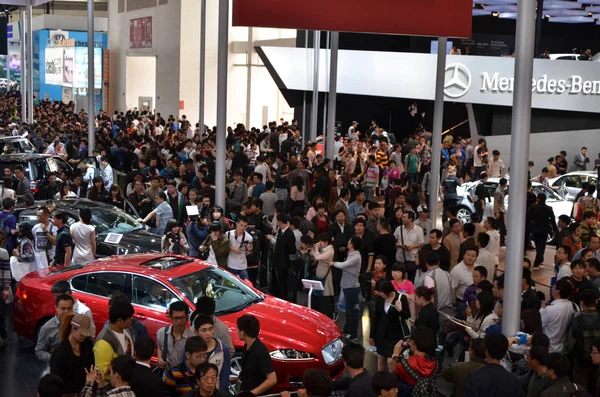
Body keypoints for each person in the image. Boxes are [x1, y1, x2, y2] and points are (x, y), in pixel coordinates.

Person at [369, 279, 411, 372]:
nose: (381, 294)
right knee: (380, 360)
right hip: (382, 335)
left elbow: (407, 315)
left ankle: (392, 382)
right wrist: (371, 335)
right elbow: (375, 318)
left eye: (382, 292)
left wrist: (400, 310)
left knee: (391, 362)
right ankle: (380, 381)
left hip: (395, 336)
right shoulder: (379, 299)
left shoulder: (401, 298)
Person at [50, 313, 95, 395]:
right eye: (82, 334)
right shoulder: (60, 352)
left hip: (86, 391)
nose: (84, 336)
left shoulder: (88, 345)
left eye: (86, 334)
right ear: (73, 329)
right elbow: (56, 380)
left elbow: (92, 366)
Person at [566, 289, 600, 391]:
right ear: (596, 301)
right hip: (598, 362)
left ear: (581, 303)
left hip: (580, 361)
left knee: (580, 388)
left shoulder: (577, 319)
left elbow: (571, 342)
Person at [93, 295, 135, 377]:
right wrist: (122, 365)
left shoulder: (127, 330)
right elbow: (100, 369)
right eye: (129, 318)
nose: (131, 320)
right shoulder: (103, 342)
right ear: (120, 320)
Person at [390, 326, 437, 397]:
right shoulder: (434, 362)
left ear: (412, 342)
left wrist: (396, 355)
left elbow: (393, 372)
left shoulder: (404, 365)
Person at [237, 314, 277, 395]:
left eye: (238, 329)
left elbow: (272, 379)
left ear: (243, 332)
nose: (237, 332)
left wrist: (251, 394)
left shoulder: (260, 351)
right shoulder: (246, 347)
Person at [333, 235, 362, 341]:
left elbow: (344, 265)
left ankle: (353, 333)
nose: (348, 242)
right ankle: (347, 329)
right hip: (346, 285)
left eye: (349, 241)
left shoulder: (356, 256)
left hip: (351, 287)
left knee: (352, 311)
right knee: (348, 310)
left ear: (352, 244)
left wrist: (333, 263)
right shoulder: (350, 254)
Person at [193, 315, 231, 392]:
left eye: (210, 329)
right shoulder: (191, 348)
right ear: (196, 332)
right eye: (204, 330)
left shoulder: (223, 349)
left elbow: (224, 376)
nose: (208, 333)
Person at [157, 301, 196, 371]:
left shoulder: (192, 337)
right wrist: (159, 358)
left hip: (184, 375)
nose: (179, 321)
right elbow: (160, 347)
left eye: (182, 318)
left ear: (187, 317)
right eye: (175, 318)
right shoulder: (161, 333)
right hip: (167, 374)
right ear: (170, 317)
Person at [540, 278, 576, 353]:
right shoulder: (574, 306)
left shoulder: (550, 310)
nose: (552, 288)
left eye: (553, 286)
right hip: (563, 347)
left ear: (557, 291)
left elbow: (539, 325)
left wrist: (542, 310)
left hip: (548, 348)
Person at [36, 294, 74, 364]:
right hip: (55, 367)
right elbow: (39, 351)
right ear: (56, 308)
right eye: (63, 309)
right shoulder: (47, 328)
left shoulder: (76, 323)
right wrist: (55, 358)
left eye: (69, 308)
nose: (66, 312)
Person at [267, 213, 296, 301]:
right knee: (276, 281)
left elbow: (292, 250)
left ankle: (283, 299)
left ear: (280, 222)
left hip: (283, 263)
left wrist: (281, 245)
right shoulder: (280, 231)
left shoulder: (289, 234)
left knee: (282, 283)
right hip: (276, 261)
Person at [528, 193, 557, 269]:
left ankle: (539, 260)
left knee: (538, 246)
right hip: (544, 230)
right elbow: (553, 220)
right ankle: (537, 263)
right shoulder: (549, 208)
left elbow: (528, 215)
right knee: (541, 246)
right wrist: (554, 229)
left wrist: (531, 222)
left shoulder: (533, 207)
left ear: (538, 199)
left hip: (535, 229)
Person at [310, 232, 335, 319]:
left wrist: (316, 248)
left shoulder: (330, 251)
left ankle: (327, 317)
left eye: (321, 241)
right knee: (318, 298)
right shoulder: (325, 249)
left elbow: (318, 257)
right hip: (320, 275)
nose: (319, 243)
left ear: (326, 242)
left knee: (324, 299)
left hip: (325, 277)